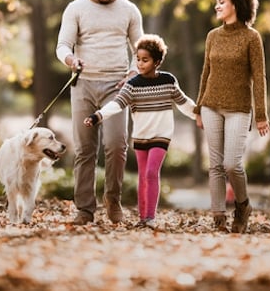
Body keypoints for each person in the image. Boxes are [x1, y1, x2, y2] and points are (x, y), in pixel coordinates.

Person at [56, 0, 144, 225]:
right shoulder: (76, 8)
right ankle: (84, 208)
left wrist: (132, 72)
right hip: (83, 85)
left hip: (117, 88)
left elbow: (140, 48)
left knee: (116, 145)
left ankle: (113, 199)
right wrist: (71, 60)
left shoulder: (129, 10)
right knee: (84, 149)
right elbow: (62, 46)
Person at [83, 34, 196, 229]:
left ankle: (150, 217)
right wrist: (97, 116)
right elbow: (117, 104)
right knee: (143, 175)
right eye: (138, 59)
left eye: (145, 60)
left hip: (161, 135)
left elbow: (184, 102)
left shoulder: (168, 81)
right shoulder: (133, 84)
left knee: (152, 172)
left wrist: (200, 115)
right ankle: (143, 218)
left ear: (157, 62)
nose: (140, 64)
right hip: (141, 137)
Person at [194, 0, 270, 234]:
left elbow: (259, 78)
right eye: (216, 2)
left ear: (236, 4)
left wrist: (261, 114)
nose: (216, 6)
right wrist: (198, 107)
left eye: (221, 2)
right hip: (210, 105)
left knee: (231, 165)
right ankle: (218, 217)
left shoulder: (251, 38)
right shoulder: (212, 36)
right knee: (214, 165)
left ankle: (242, 205)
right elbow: (206, 72)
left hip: (239, 109)